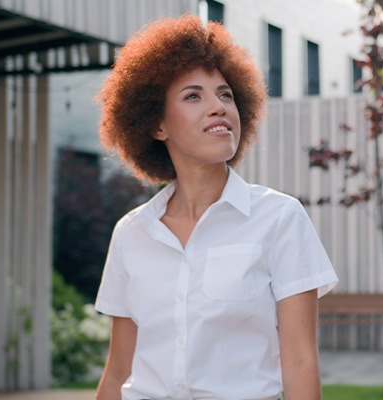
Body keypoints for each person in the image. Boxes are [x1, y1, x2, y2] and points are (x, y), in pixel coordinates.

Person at [92, 16, 338, 400]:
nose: (218, 107)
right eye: (194, 96)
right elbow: (118, 372)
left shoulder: (280, 219)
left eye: (225, 94)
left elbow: (300, 363)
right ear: (157, 126)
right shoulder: (131, 234)